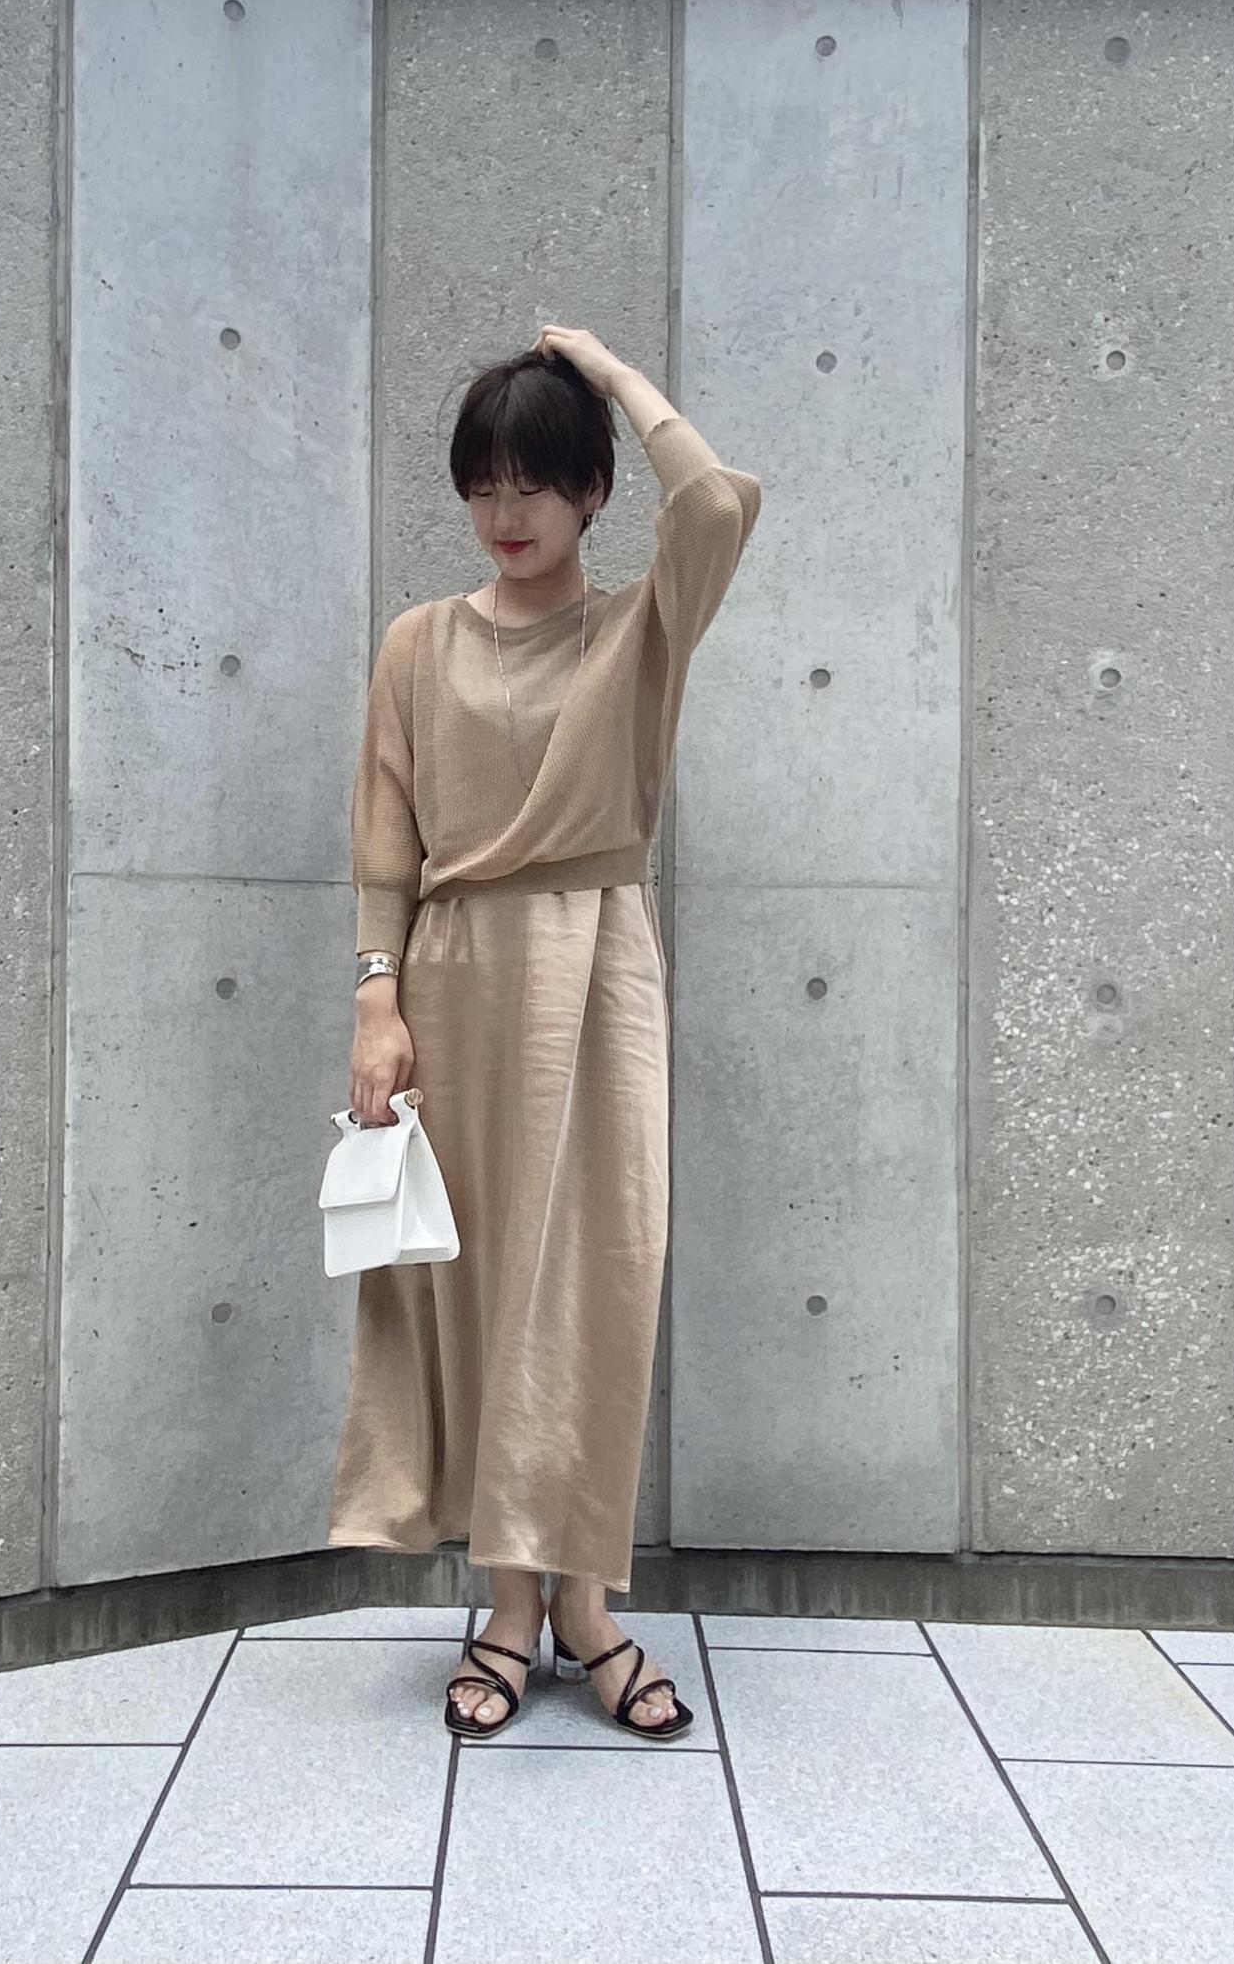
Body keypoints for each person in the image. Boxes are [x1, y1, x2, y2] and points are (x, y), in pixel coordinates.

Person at [327, 324, 762, 1740]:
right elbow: (387, 829)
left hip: (600, 964)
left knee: (599, 1278)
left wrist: (610, 372)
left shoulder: (643, 628)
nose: (505, 513)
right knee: (481, 1281)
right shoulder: (420, 642)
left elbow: (716, 503)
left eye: (534, 482)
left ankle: (585, 1601)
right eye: (483, 485)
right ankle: (517, 1608)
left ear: (592, 492)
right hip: (453, 973)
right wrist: (377, 996)